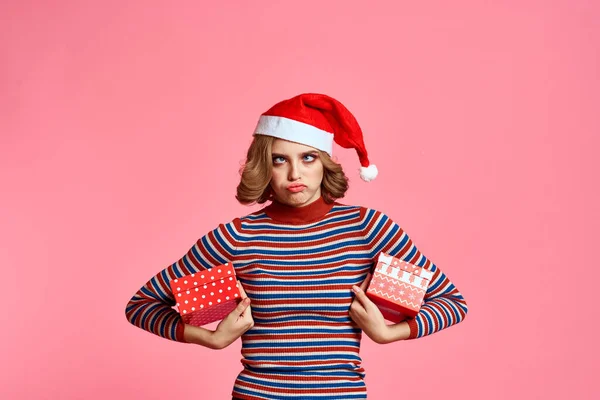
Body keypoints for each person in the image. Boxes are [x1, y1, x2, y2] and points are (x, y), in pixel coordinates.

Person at [125, 93, 468, 400]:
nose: (294, 174)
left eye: (307, 158)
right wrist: (211, 338)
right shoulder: (238, 236)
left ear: (324, 163)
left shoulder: (365, 229)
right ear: (264, 165)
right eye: (279, 160)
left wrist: (389, 332)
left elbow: (450, 302)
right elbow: (142, 305)